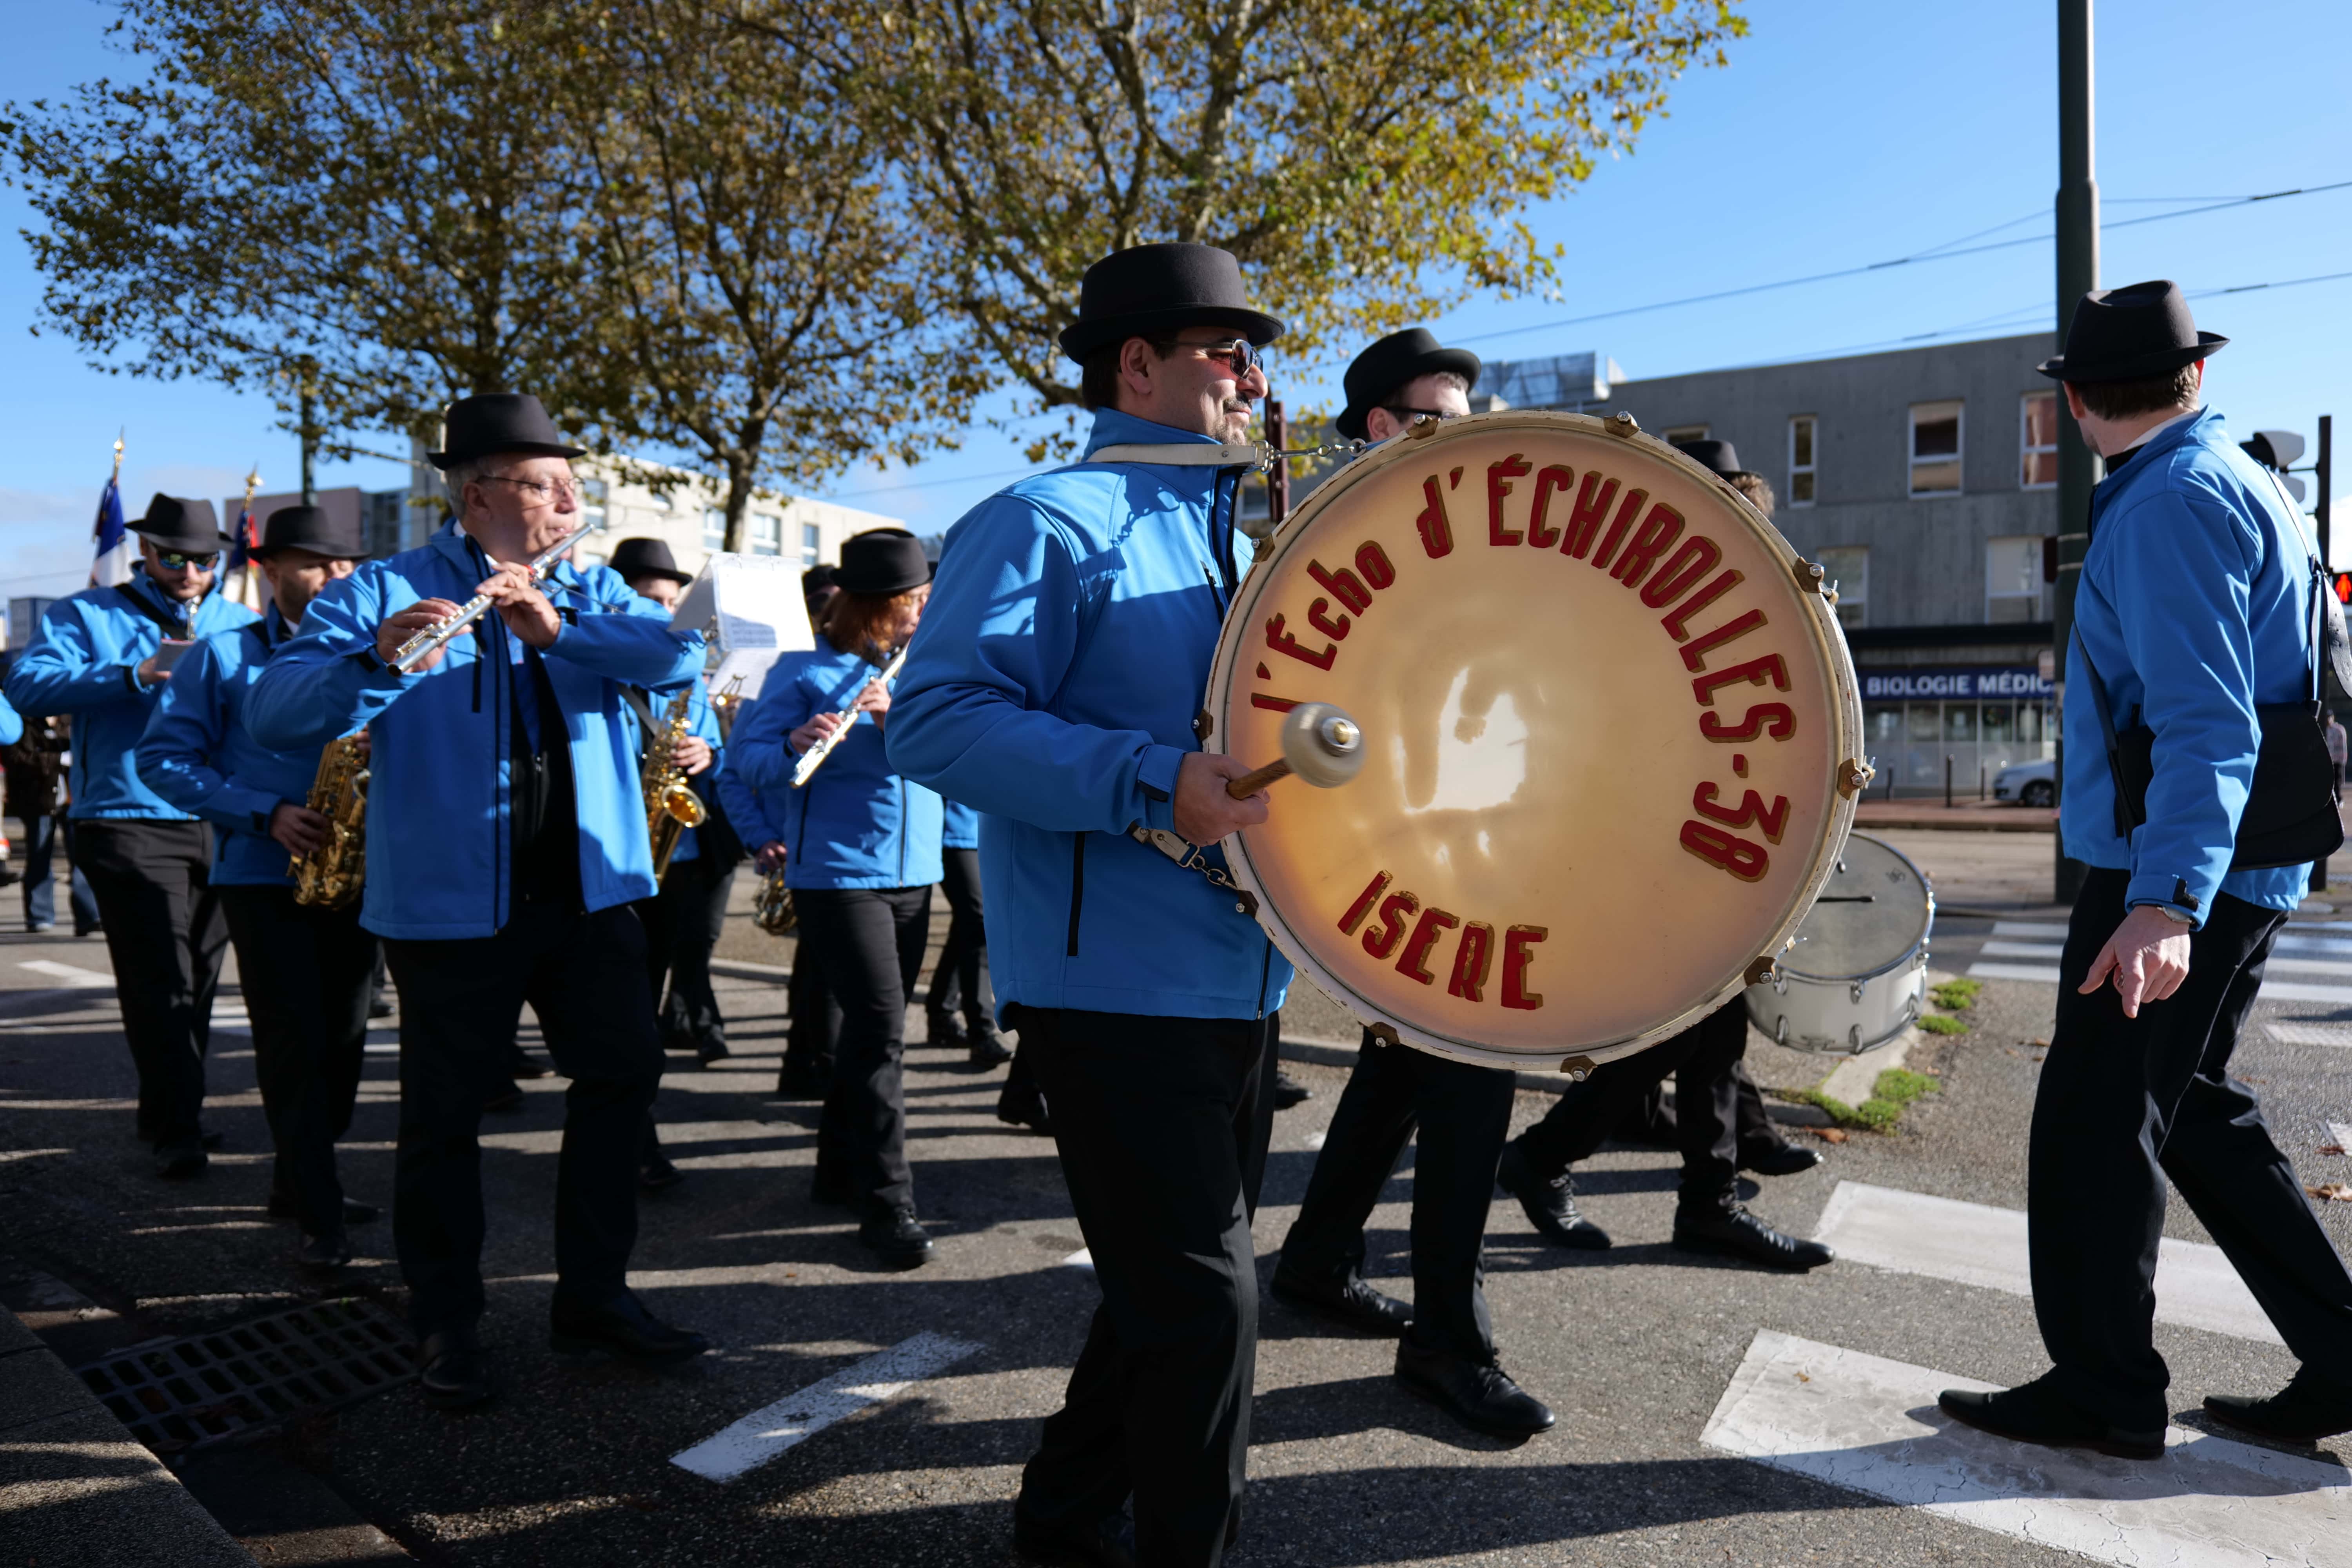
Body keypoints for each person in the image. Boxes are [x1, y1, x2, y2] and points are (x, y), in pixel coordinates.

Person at [889, 241, 1289, 1568]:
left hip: (1241, 973)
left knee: (1162, 1298)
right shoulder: (1044, 519)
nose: (1251, 375)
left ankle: (1061, 1514)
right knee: (1206, 1311)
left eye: (1253, 351)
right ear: (1138, 364)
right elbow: (935, 724)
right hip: (1108, 982)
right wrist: (1143, 777)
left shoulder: (1235, 537)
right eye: (1226, 350)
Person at [1938, 282, 2352, 1455]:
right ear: (2195, 378)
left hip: (2172, 872)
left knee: (2091, 1123)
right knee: (2195, 1114)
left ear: (2070, 401)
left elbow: (2204, 721)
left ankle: (2105, 1389)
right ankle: (2341, 1355)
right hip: (2237, 857)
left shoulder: (2167, 501)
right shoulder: (2241, 477)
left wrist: (2161, 898)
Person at [245, 393, 710, 1410]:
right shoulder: (384, 587)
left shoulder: (591, 587)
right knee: (444, 1120)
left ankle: (593, 1295)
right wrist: (376, 660)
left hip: (591, 895)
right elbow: (275, 708)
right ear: (485, 492)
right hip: (450, 908)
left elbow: (681, 657)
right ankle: (445, 1318)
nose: (573, 497)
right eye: (551, 481)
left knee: (621, 1083)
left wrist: (559, 631)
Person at [1269, 328, 1552, 1441]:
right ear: (1384, 428)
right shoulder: (1348, 545)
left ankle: (1319, 1257)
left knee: (1399, 1072)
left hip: (1476, 838)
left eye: (1473, 420)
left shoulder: (1471, 546)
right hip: (1415, 854)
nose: (1467, 439)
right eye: (1443, 417)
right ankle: (1447, 1341)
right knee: (1471, 1086)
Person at [1494, 437, 1833, 1274]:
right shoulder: (1615, 599)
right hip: (1644, 853)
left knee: (1713, 1031)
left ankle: (1701, 1195)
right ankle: (1551, 1155)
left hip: (1704, 849)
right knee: (1679, 1030)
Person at [136, 503, 380, 1270]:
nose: (338, 578)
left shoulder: (383, 652)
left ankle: (296, 1175)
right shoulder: (220, 655)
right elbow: (163, 761)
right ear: (271, 568)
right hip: (262, 874)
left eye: (347, 565)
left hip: (359, 874)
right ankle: (316, 1201)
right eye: (319, 564)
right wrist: (263, 811)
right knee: (292, 1041)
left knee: (345, 1042)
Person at [7, 496, 258, 1176]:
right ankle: (180, 1126)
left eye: (204, 559)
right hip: (126, 818)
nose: (189, 570)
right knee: (159, 979)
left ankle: (167, 1107)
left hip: (221, 815)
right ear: (144, 552)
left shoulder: (243, 622)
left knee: (201, 979)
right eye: (173, 556)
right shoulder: (87, 614)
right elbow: (27, 688)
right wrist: (131, 674)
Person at [731, 527, 944, 1269]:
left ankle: (835, 1169)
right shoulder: (798, 670)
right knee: (883, 1029)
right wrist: (793, 744)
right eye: (910, 602)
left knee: (866, 1031)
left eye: (924, 599)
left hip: (915, 874)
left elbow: (953, 762)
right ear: (873, 607)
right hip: (837, 876)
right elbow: (743, 765)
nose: (922, 613)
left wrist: (905, 722)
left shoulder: (922, 672)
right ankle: (889, 1203)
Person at [608, 537, 737, 1069]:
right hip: (624, 847)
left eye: (668, 602)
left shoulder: (692, 682)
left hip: (686, 846)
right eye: (649, 600)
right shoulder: (604, 671)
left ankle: (686, 1025)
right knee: (633, 972)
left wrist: (709, 751)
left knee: (692, 944)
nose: (661, 613)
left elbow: (722, 757)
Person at [926, 798, 1011, 1067]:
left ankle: (940, 1015)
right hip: (952, 833)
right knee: (978, 924)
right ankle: (982, 1035)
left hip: (990, 830)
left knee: (966, 926)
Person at [4, 712, 100, 935]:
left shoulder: (74, 719)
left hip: (74, 801)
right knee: (39, 857)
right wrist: (58, 759)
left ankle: (89, 915)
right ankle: (40, 916)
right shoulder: (23, 722)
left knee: (82, 859)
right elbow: (16, 758)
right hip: (39, 801)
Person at [2325, 708, 2346, 795]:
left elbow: (2343, 746)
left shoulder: (2339, 729)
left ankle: (2338, 798)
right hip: (2327, 759)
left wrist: (2343, 760)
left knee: (2337, 779)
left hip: (2337, 760)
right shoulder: (2323, 728)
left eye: (2329, 717)